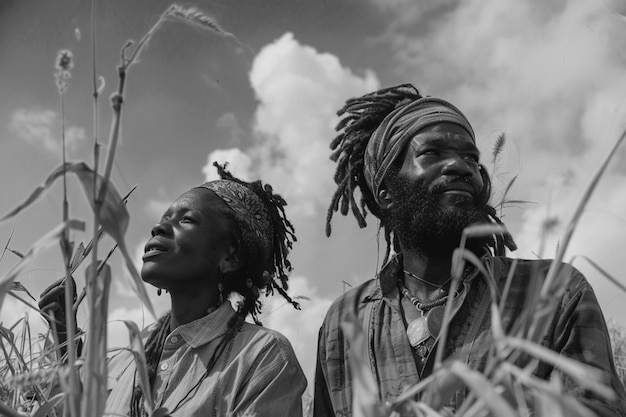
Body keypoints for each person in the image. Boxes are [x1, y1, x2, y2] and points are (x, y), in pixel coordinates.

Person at [313, 84, 626, 416]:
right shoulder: (346, 320)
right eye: (431, 153)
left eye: (470, 158)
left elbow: (598, 409)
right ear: (386, 192)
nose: (460, 166)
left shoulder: (554, 291)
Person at [40, 162, 307, 417]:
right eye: (164, 218)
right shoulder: (130, 360)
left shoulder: (262, 357)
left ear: (230, 258)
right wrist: (65, 335)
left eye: (187, 219)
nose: (159, 227)